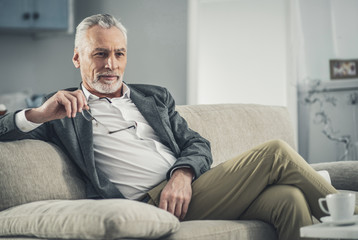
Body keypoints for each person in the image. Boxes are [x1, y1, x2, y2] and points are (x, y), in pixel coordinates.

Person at [0, 14, 352, 240]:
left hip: (193, 187)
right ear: (78, 57)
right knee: (275, 152)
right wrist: (36, 115)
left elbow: (197, 144)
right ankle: (349, 212)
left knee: (288, 199)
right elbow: (5, 128)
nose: (111, 64)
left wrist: (182, 174)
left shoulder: (154, 97)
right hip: (152, 203)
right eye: (99, 54)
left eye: (119, 54)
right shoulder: (62, 110)